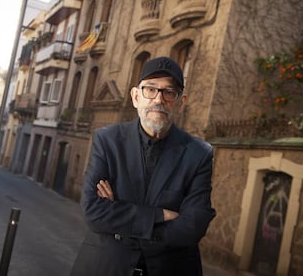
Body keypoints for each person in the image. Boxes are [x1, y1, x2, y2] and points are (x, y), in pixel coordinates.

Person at [70, 57, 216, 276]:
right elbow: (93, 211)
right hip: (105, 267)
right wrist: (159, 215)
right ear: (136, 97)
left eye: (169, 92)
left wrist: (120, 223)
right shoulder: (107, 141)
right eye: (150, 89)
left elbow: (192, 226)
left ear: (180, 101)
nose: (159, 99)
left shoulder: (199, 154)